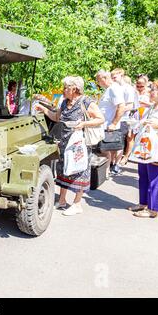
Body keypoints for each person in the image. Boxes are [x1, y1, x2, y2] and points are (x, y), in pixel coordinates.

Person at [35, 76, 105, 216]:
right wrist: (43, 109)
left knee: (79, 171)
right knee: (64, 170)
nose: (63, 90)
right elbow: (56, 117)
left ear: (74, 89)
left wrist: (84, 124)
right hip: (65, 142)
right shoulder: (64, 102)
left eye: (66, 88)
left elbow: (101, 119)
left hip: (80, 143)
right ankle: (61, 200)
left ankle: (77, 204)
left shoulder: (86, 102)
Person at [129, 79, 158, 218]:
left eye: (153, 89)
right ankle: (143, 203)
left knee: (154, 178)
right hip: (147, 148)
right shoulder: (153, 106)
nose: (149, 92)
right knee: (143, 175)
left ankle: (153, 209)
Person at [96, 69, 126, 175]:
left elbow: (121, 106)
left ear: (104, 78)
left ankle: (106, 171)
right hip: (105, 125)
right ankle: (106, 171)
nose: (98, 83)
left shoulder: (114, 89)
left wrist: (113, 123)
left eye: (98, 80)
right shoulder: (109, 89)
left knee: (105, 149)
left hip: (108, 126)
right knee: (106, 150)